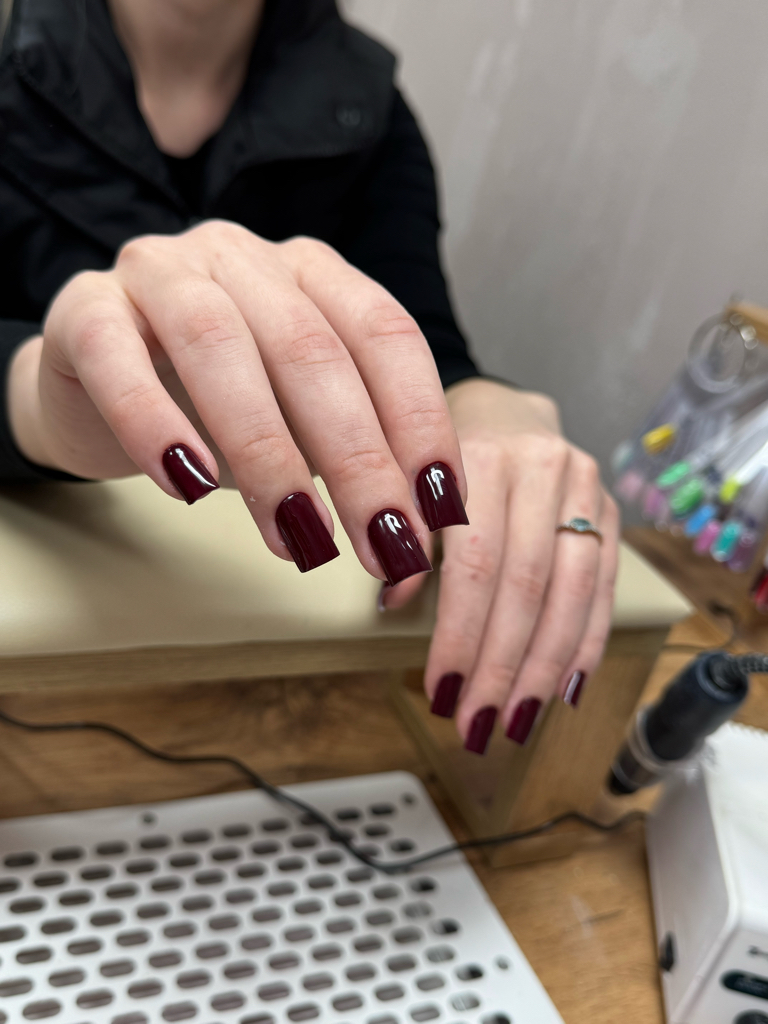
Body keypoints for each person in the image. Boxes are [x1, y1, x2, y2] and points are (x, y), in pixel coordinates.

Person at [0, 0, 619, 755]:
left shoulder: (367, 103)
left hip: (283, 686)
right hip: (42, 676)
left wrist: (488, 410)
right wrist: (36, 398)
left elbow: (428, 343)